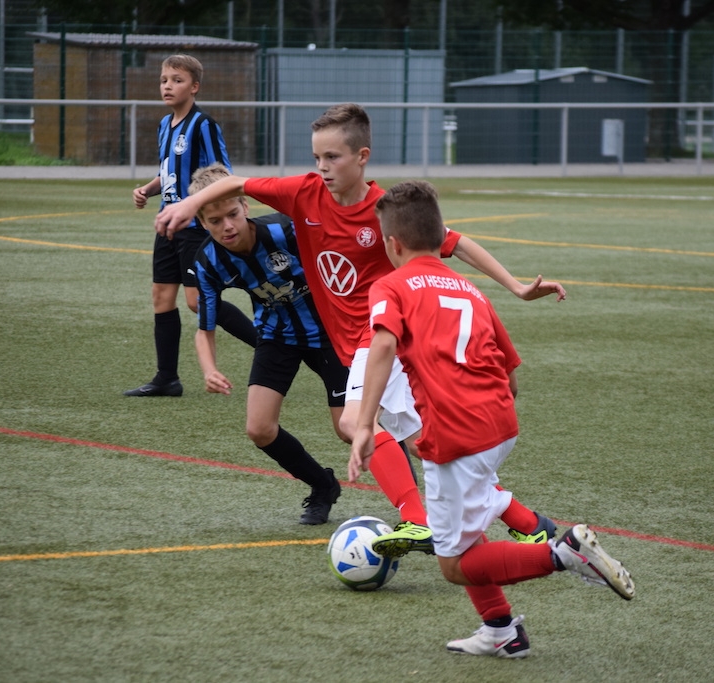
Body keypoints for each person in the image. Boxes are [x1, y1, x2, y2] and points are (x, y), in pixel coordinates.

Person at [155, 103, 564, 549]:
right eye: (317, 157)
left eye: (332, 157)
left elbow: (456, 242)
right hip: (348, 342)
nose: (322, 167)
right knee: (423, 441)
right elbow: (237, 182)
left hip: (385, 334)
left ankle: (416, 518)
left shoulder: (383, 209)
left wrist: (516, 286)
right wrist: (189, 204)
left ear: (362, 157)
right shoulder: (302, 193)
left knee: (354, 423)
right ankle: (528, 522)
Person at [348, 180, 634, 658]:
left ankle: (563, 554)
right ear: (440, 237)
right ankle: (501, 630)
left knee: (454, 564)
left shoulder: (390, 285)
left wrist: (363, 425)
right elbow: (510, 371)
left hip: (455, 435)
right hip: (499, 424)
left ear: (392, 244)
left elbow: (382, 345)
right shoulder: (470, 289)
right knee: (466, 526)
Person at [190, 163, 344, 525]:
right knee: (259, 429)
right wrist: (209, 369)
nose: (227, 226)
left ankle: (410, 501)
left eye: (232, 214)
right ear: (202, 223)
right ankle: (323, 486)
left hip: (331, 333)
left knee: (349, 428)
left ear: (245, 206)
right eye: (215, 221)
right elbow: (204, 328)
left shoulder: (285, 230)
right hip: (277, 336)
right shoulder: (208, 261)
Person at [125, 54, 256, 397]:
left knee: (197, 301)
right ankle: (166, 378)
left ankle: (272, 346)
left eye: (177, 80)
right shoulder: (164, 125)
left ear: (194, 87)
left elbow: (221, 173)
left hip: (195, 228)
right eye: (164, 80)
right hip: (168, 223)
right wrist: (147, 189)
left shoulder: (203, 125)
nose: (168, 86)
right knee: (161, 297)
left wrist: (204, 208)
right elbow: (168, 171)